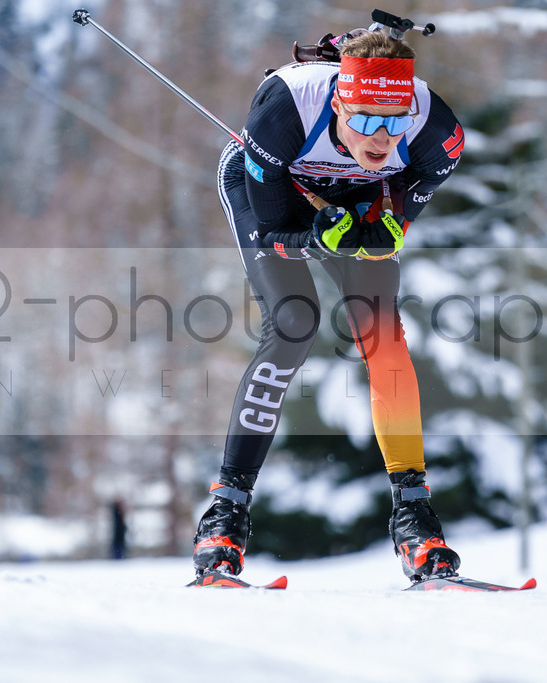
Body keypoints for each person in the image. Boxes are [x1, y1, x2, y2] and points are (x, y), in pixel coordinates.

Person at [192, 24, 464, 584]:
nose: (379, 136)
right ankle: (225, 515)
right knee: (294, 323)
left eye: (393, 123)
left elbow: (397, 210)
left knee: (383, 336)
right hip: (268, 186)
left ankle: (414, 517)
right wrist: (316, 235)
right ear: (339, 101)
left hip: (359, 195)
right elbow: (273, 225)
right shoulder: (286, 109)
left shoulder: (438, 133)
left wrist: (385, 225)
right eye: (364, 119)